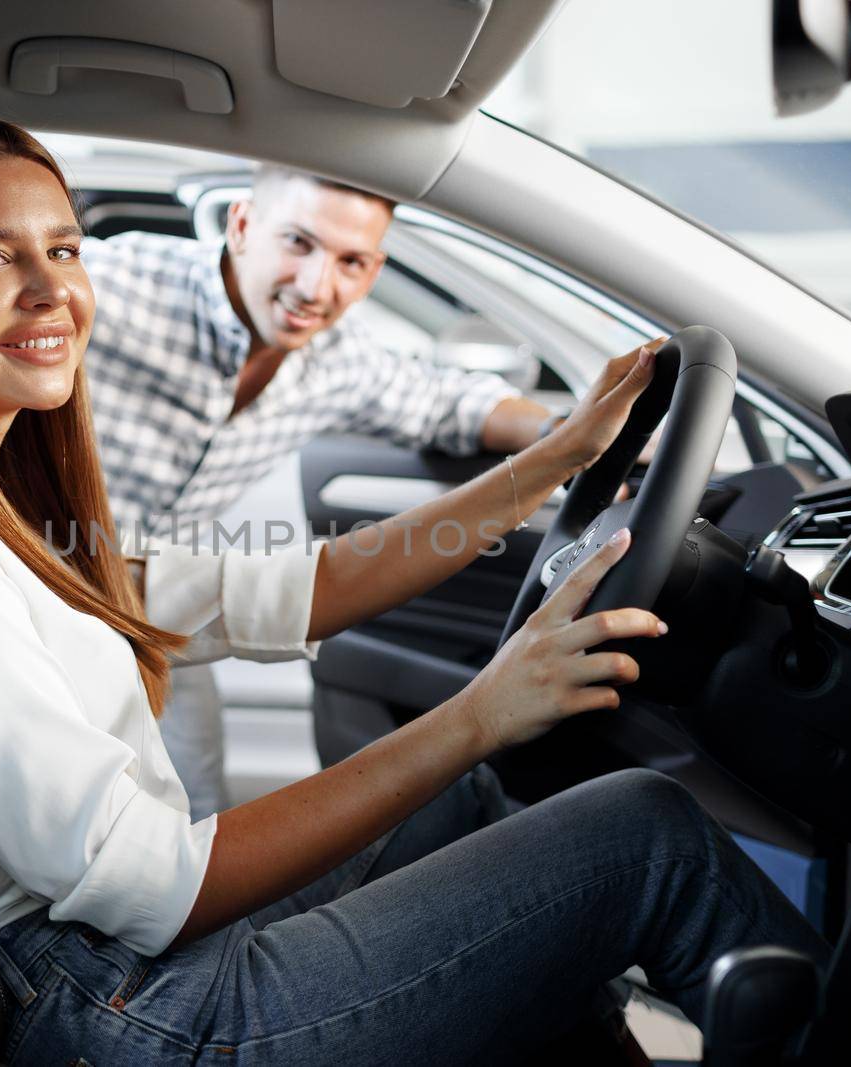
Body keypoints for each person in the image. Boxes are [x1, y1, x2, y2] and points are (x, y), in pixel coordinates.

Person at [0, 113, 825, 1065]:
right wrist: (477, 711)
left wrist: (565, 451)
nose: (51, 290)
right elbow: (150, 881)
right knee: (648, 839)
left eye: (63, 249)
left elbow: (300, 586)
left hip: (121, 964)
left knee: (479, 807)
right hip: (123, 1008)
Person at [80, 165, 588, 817]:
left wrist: (562, 431)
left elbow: (447, 402)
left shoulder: (339, 361)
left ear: (373, 272)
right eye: (298, 242)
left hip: (163, 605)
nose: (317, 286)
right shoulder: (114, 283)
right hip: (44, 583)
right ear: (241, 226)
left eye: (351, 261)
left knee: (190, 800)